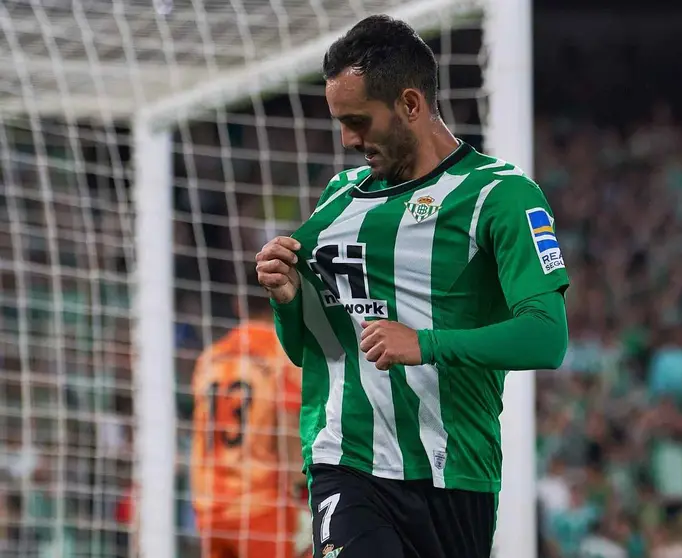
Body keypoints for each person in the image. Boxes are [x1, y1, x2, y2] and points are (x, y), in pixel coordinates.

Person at [254, 14, 569, 558]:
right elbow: (310, 352)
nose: (348, 140)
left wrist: (423, 344)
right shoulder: (338, 196)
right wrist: (289, 301)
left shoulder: (500, 196)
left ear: (410, 104)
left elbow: (547, 337)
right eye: (340, 123)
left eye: (358, 121)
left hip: (456, 474)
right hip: (345, 461)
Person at [191, 292, 305, 558]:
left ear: (238, 304)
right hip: (260, 505)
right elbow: (287, 426)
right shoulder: (282, 352)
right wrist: (301, 491)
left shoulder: (209, 357)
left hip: (210, 504)